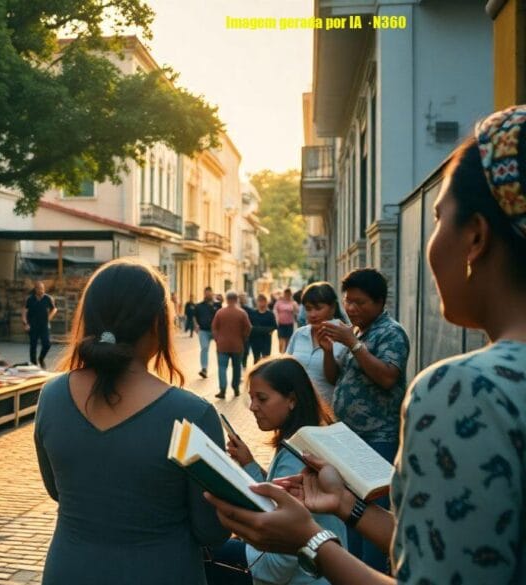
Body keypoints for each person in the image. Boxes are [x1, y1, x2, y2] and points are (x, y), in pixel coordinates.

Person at [203, 106, 526, 584]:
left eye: (438, 219)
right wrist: (349, 509)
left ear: (475, 235)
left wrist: (310, 540)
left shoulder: (466, 391)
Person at [35, 258, 228, 584]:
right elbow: (210, 530)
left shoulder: (51, 396)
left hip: (69, 569)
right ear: (157, 323)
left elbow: (57, 490)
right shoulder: (192, 414)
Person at [209, 356, 345, 585]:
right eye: (251, 398)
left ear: (292, 400)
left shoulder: (297, 456)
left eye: (262, 398)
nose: (253, 407)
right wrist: (250, 464)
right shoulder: (307, 441)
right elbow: (277, 494)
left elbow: (276, 568)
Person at [320, 268, 409, 571]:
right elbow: (335, 378)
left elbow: (387, 377)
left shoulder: (390, 332)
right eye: (348, 302)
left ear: (380, 302)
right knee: (351, 517)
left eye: (360, 303)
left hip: (377, 439)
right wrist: (329, 351)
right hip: (349, 439)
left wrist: (354, 345)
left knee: (372, 517)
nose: (352, 309)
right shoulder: (357, 331)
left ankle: (371, 574)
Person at [286, 282, 348, 403]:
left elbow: (335, 380)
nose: (313, 314)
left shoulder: (344, 338)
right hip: (298, 408)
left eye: (318, 308)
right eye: (308, 309)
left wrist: (328, 352)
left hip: (328, 411)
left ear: (333, 308)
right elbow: (286, 368)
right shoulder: (299, 334)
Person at [212, 291, 252, 399]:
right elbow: (248, 328)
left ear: (227, 299)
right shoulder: (242, 313)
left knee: (222, 367)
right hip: (237, 345)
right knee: (236, 367)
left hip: (222, 345)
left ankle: (222, 390)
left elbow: (214, 328)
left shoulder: (220, 312)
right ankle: (235, 388)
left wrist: (217, 339)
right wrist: (243, 338)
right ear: (236, 299)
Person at [22, 281, 58, 369]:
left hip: (44, 325)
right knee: (33, 345)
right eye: (39, 289)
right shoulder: (30, 299)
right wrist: (25, 323)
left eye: (42, 289)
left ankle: (41, 359)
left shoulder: (47, 298)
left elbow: (54, 309)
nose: (41, 290)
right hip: (32, 325)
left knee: (47, 344)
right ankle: (34, 364)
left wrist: (49, 317)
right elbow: (24, 311)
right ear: (35, 289)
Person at [195, 287, 219, 379]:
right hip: (203, 331)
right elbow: (195, 316)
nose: (208, 295)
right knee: (204, 348)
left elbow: (221, 316)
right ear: (204, 294)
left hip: (216, 331)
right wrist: (196, 325)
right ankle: (204, 369)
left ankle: (221, 366)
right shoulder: (199, 306)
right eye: (206, 293)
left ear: (212, 293)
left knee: (221, 349)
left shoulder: (217, 305)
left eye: (209, 293)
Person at [249, 294, 278, 363]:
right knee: (256, 359)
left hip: (266, 340)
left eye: (263, 301)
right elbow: (250, 326)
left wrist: (262, 330)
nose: (261, 303)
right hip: (255, 340)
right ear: (257, 302)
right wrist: (264, 330)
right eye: (260, 301)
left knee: (266, 360)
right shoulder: (253, 313)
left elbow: (274, 326)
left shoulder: (270, 314)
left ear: (266, 302)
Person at [274, 288, 299, 353]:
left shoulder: (293, 302)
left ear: (290, 294)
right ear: (284, 294)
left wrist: (295, 308)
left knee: (288, 342)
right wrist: (276, 318)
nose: (287, 295)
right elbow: (275, 310)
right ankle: (281, 354)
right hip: (281, 324)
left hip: (289, 324)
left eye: (289, 294)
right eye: (286, 293)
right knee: (281, 342)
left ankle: (285, 355)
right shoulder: (279, 302)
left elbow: (297, 311)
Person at [239, 292, 256, 366]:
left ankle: (244, 364)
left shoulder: (250, 310)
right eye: (241, 297)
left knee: (246, 351)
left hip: (247, 334)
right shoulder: (236, 309)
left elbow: (252, 321)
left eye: (244, 297)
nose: (243, 299)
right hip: (237, 333)